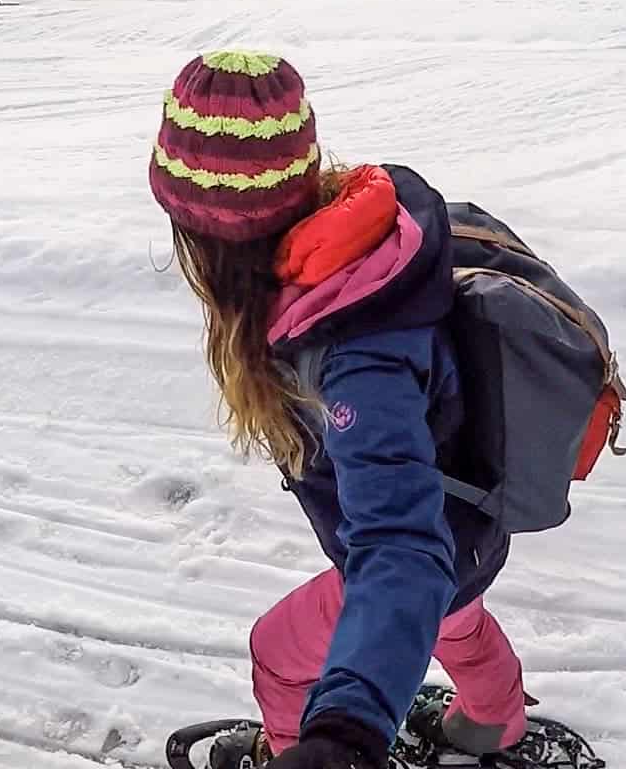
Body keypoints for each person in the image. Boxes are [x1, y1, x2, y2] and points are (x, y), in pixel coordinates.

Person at [148, 52, 526, 769]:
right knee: (455, 619)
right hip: (471, 529)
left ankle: (287, 747)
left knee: (279, 652)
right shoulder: (363, 251)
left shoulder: (353, 353)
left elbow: (401, 550)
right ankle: (494, 723)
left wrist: (341, 738)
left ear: (209, 239)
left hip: (424, 545)